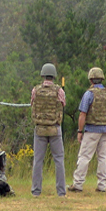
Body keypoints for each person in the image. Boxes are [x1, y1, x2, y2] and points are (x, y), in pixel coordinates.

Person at [68, 67, 106, 193]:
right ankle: (102, 185)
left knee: (84, 157)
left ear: (91, 79)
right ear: (102, 78)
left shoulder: (89, 94)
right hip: (105, 129)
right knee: (102, 157)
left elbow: (83, 114)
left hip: (92, 129)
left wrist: (80, 131)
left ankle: (77, 184)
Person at [30, 63, 66, 197]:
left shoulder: (36, 90)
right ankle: (61, 192)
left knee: (38, 160)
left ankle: (36, 191)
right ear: (54, 76)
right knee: (59, 160)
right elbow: (63, 104)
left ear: (43, 75)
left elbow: (32, 104)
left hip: (40, 128)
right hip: (55, 128)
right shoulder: (59, 91)